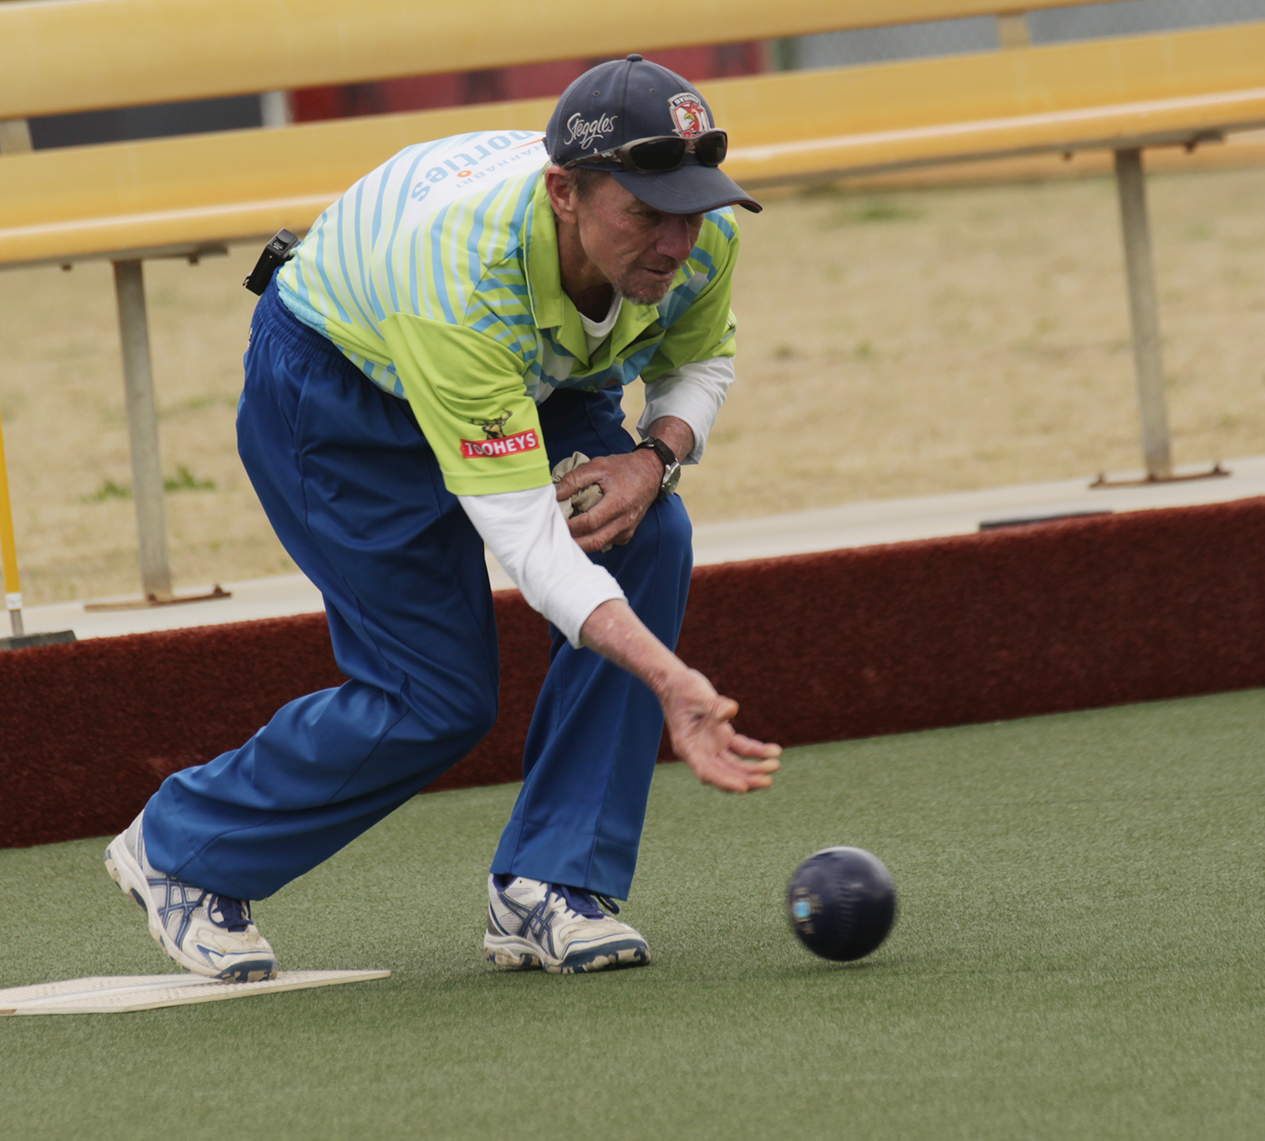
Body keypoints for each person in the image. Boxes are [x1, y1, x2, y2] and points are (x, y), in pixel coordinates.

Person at [104, 55, 781, 979]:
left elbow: (700, 363)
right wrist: (671, 681)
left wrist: (651, 459)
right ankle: (183, 847)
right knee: (435, 696)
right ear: (565, 194)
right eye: (646, 213)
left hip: (535, 375)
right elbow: (532, 549)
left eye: (692, 209)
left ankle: (552, 882)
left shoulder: (698, 237)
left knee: (649, 531)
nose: (675, 242)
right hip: (342, 391)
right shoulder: (461, 273)